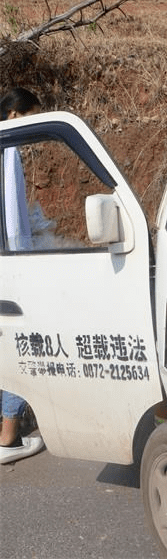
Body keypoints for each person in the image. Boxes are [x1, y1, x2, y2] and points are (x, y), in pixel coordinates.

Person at [1, 87, 46, 464]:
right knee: (14, 342)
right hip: (7, 262)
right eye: (33, 116)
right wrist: (22, 261)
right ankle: (9, 436)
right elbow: (13, 217)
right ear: (16, 116)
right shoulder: (9, 147)